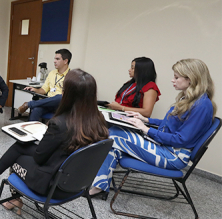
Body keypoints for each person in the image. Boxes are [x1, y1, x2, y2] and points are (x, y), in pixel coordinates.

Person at [0, 69, 109, 210]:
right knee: (21, 145)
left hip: (53, 186)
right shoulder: (99, 121)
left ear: (67, 95)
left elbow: (40, 158)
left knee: (17, 155)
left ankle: (10, 196)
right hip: (79, 182)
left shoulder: (60, 123)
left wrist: (45, 139)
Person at [90, 59, 217, 198]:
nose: (172, 80)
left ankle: (90, 180)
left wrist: (146, 129)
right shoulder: (190, 99)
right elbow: (171, 123)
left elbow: (181, 139)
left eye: (176, 77)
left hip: (173, 157)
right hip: (165, 147)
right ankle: (98, 187)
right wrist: (146, 120)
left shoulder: (202, 105)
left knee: (113, 135)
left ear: (191, 79)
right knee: (113, 143)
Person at [17, 49, 72, 121]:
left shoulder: (71, 76)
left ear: (65, 61)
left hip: (61, 106)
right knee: (36, 110)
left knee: (60, 97)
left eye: (57, 59)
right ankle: (32, 131)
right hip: (49, 103)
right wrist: (35, 89)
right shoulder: (52, 73)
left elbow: (66, 97)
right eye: (55, 59)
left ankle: (29, 104)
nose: (54, 61)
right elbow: (43, 90)